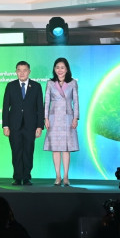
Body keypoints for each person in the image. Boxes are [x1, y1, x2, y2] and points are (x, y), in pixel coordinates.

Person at [2, 61, 44, 186]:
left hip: (31, 126)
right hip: (14, 125)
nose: (22, 73)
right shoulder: (11, 86)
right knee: (16, 152)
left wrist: (39, 126)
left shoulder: (36, 86)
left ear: (29, 71)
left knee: (28, 152)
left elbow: (40, 108)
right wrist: (5, 125)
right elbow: (5, 107)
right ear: (16, 72)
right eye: (19, 70)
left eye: (24, 70)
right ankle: (17, 177)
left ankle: (26, 177)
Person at [43, 57, 79, 187]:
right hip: (54, 118)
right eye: (57, 67)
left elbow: (76, 101)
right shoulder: (50, 83)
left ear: (67, 69)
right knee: (56, 149)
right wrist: (46, 118)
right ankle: (57, 176)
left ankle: (66, 176)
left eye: (62, 67)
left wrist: (75, 117)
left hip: (68, 118)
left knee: (66, 148)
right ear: (54, 69)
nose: (60, 70)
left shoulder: (73, 83)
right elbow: (47, 101)